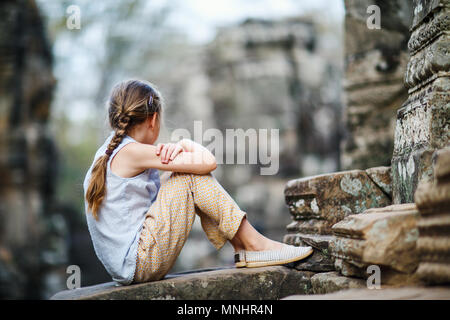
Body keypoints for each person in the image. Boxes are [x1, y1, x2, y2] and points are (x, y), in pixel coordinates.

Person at [83, 79, 313, 285]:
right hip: (140, 262)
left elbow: (159, 191)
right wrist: (185, 143)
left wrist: (175, 168)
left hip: (132, 265)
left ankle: (245, 246)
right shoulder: (131, 152)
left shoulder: (109, 153)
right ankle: (254, 244)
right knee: (189, 176)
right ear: (153, 120)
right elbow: (207, 163)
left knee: (180, 176)